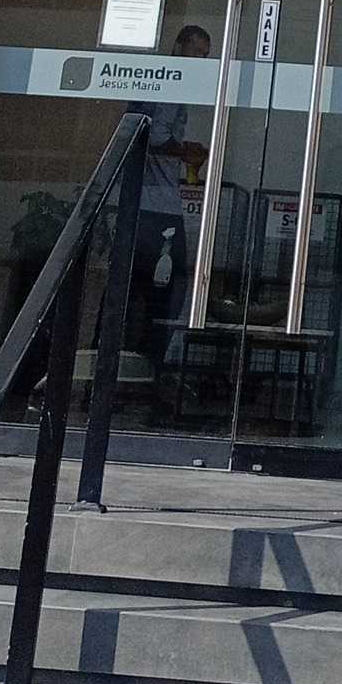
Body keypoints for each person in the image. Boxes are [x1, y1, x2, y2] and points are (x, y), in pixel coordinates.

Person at [127, 24, 211, 403]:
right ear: (178, 48)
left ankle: (135, 370)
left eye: (205, 55)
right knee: (164, 293)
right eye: (197, 51)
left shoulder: (164, 84)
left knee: (136, 290)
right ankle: (149, 372)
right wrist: (187, 152)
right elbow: (154, 140)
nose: (201, 60)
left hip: (146, 201)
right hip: (157, 206)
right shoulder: (170, 85)